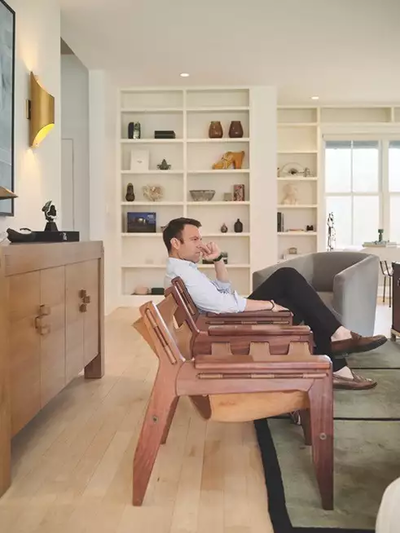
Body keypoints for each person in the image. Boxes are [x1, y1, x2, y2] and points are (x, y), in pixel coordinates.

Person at [163, 218, 387, 390]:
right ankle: (339, 342)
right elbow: (222, 304)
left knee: (296, 301)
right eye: (194, 240)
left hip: (220, 320)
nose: (201, 244)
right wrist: (268, 305)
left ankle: (338, 361)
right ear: (175, 243)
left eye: (200, 239)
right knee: (287, 277)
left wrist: (217, 260)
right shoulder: (184, 273)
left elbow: (223, 291)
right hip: (226, 326)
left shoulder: (184, 270)